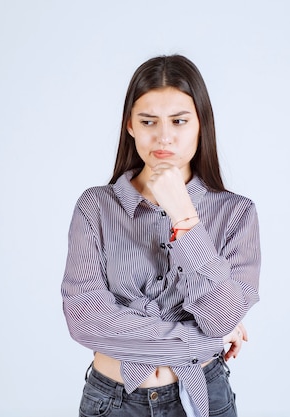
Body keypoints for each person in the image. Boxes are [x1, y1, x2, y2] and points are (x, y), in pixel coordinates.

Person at [61, 54, 260, 417]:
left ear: (201, 124)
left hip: (204, 398)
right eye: (148, 121)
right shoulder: (95, 208)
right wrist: (202, 341)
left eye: (179, 121)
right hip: (113, 402)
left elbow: (221, 316)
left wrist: (184, 217)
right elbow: (85, 319)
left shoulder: (237, 213)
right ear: (130, 126)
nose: (164, 136)